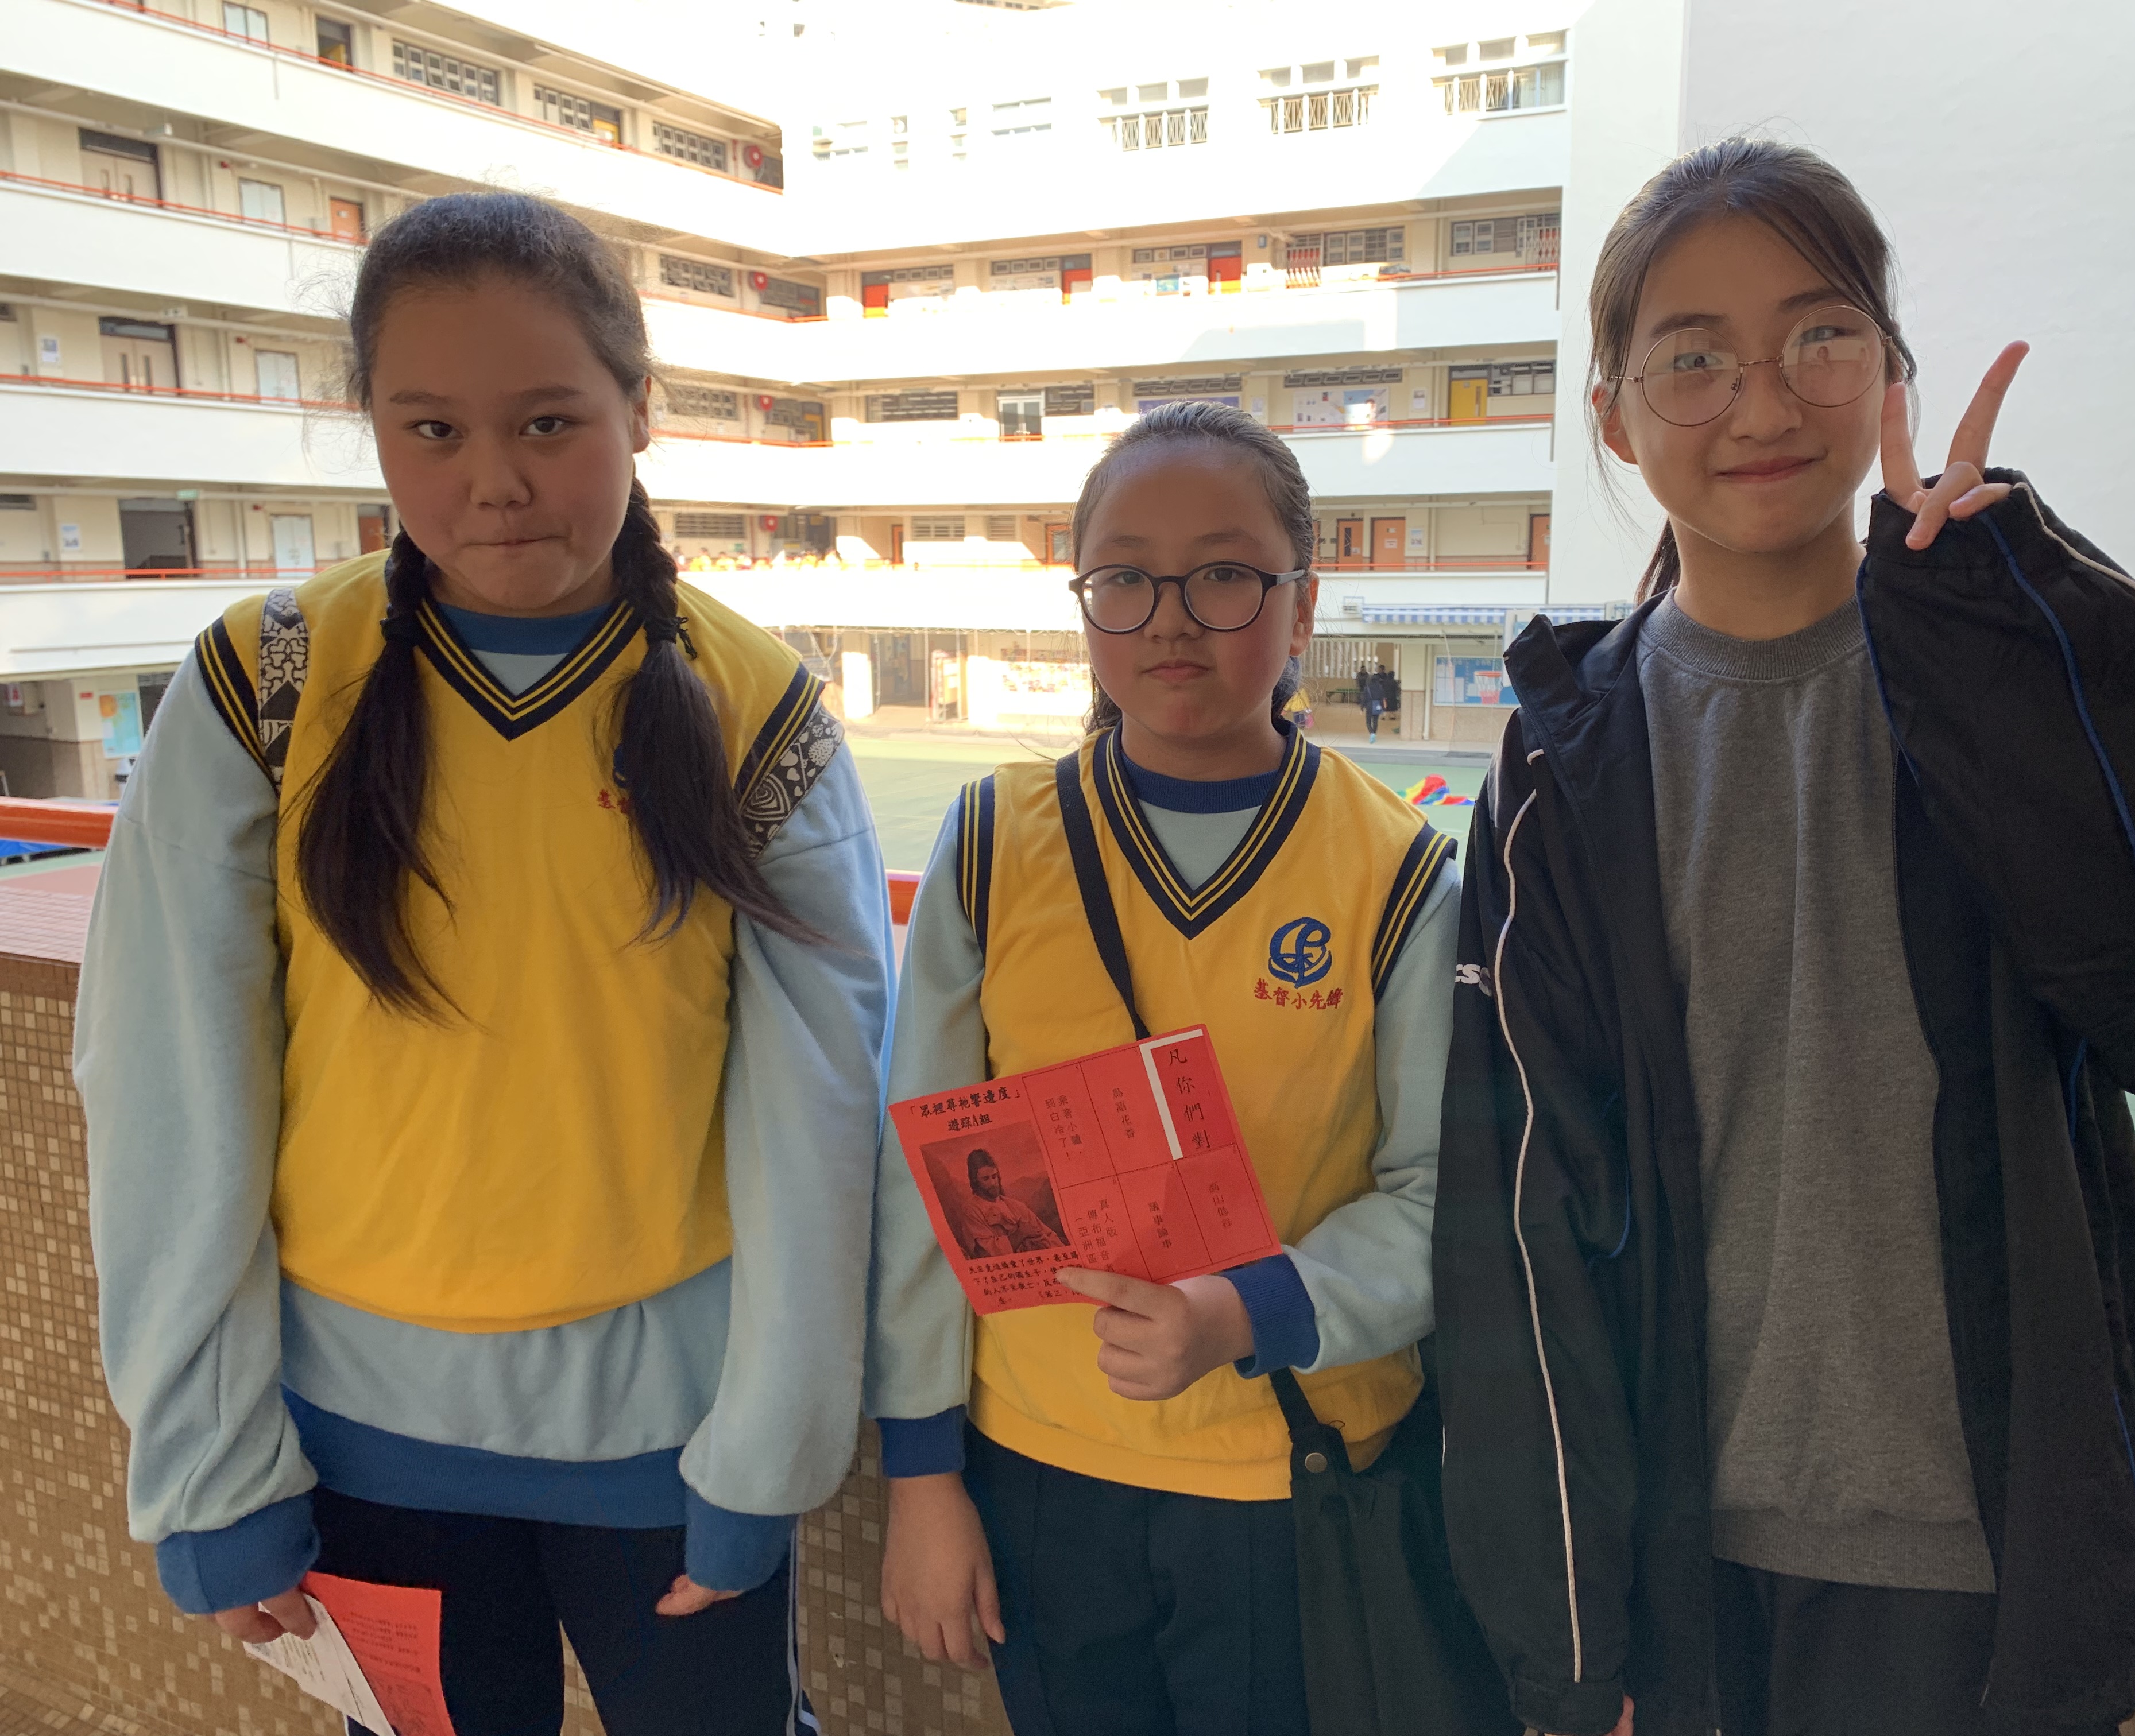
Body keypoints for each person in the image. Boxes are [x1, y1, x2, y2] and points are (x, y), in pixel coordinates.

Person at [1433, 137, 2135, 1736]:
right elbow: (1524, 1215)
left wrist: (2015, 605)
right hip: (1688, 1567)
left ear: (1892, 368)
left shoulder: (1995, 666)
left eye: (1819, 336)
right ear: (1614, 416)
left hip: (1985, 1558)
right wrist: (1571, 1639)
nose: (1763, 403)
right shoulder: (1563, 765)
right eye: (1694, 358)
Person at [75, 192, 891, 1736]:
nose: (494, 481)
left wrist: (768, 1455)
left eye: (548, 423)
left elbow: (821, 1107)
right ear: (374, 429)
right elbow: (168, 1091)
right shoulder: (264, 685)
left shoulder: (756, 702)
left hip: (672, 1444)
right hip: (360, 1449)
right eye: (432, 429)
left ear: (639, 410)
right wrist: (208, 1464)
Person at [868, 400, 1460, 1736]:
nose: (1171, 619)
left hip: (1290, 1475)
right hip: (1038, 1467)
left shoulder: (1400, 872)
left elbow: (1438, 1199)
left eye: (1226, 575)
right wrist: (922, 1475)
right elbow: (925, 1183)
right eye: (1125, 579)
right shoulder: (994, 838)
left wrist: (1241, 1311)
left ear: (1303, 608)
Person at [954, 1149, 1062, 1257]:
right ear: (976, 1181)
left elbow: (1048, 1235)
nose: (993, 1183)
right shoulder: (971, 1211)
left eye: (994, 1176)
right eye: (986, 1179)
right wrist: (1021, 1233)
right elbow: (987, 1251)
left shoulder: (1016, 1206)